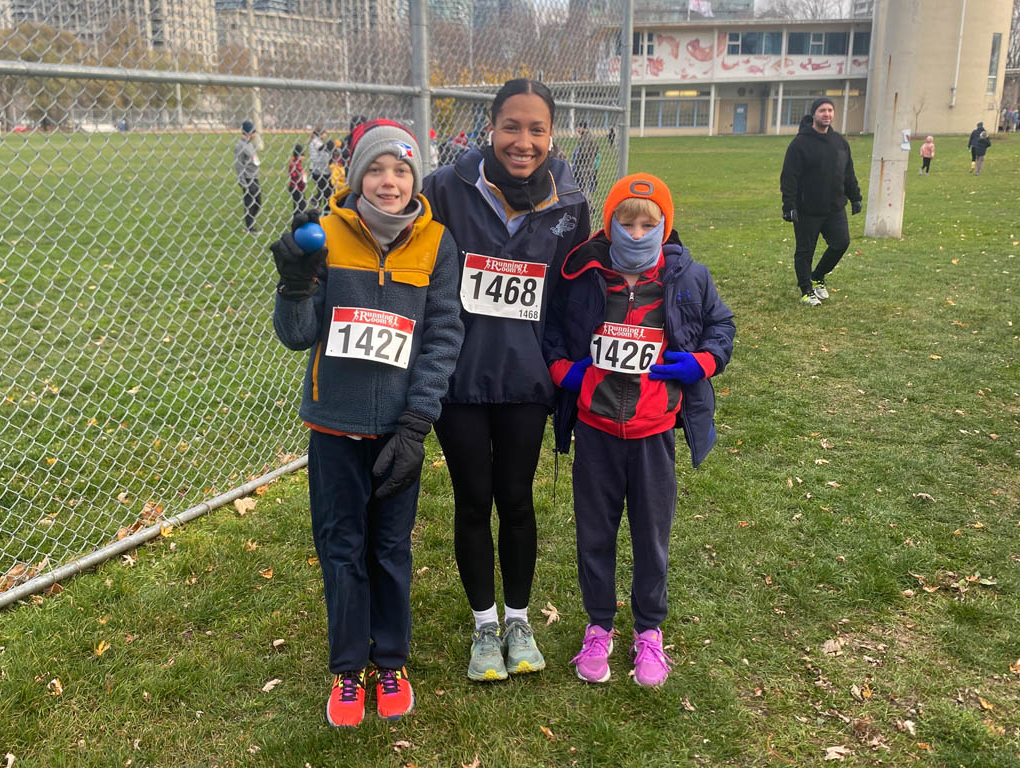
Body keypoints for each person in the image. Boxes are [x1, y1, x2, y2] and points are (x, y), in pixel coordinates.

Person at [270, 120, 464, 727]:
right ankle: (348, 670)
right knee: (341, 550)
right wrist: (295, 284)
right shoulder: (325, 234)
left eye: (401, 170)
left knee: (388, 548)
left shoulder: (436, 244)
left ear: (416, 178)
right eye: (376, 170)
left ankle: (391, 661)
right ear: (356, 176)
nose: (388, 181)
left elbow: (442, 336)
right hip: (333, 429)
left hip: (398, 430)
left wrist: (416, 424)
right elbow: (298, 335)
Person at [422, 78, 591, 682]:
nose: (524, 141)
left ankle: (518, 620)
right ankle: (484, 625)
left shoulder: (569, 201)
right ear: (490, 127)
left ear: (553, 133)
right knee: (473, 500)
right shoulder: (445, 187)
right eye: (512, 126)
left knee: (516, 500)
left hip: (527, 379)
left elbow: (576, 292)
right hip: (459, 378)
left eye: (537, 129)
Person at [543, 172, 734, 687]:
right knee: (595, 533)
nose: (635, 231)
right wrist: (564, 370)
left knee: (651, 536)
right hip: (597, 429)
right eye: (625, 221)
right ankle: (599, 625)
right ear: (609, 223)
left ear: (665, 226)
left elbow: (722, 327)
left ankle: (649, 630)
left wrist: (703, 363)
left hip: (653, 432)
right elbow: (553, 329)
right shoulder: (584, 273)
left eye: (648, 222)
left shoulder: (688, 277)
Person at [779, 97, 862, 307]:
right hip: (807, 209)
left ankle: (818, 275)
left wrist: (855, 197)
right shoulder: (800, 144)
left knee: (841, 243)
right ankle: (807, 290)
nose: (827, 114)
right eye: (823, 110)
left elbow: (848, 173)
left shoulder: (839, 142)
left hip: (834, 207)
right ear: (814, 114)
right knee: (805, 250)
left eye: (830, 110)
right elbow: (789, 177)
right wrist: (789, 206)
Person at [234, 119, 262, 234]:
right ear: (248, 133)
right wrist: (243, 182)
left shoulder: (249, 144)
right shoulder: (240, 146)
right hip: (247, 179)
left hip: (255, 177)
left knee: (258, 203)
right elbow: (239, 165)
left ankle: (250, 223)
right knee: (249, 203)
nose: (255, 135)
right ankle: (250, 228)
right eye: (254, 132)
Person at [571, 121, 601, 198]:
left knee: (582, 189)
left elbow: (582, 152)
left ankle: (589, 207)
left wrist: (576, 162)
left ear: (582, 128)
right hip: (588, 165)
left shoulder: (586, 138)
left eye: (578, 127)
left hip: (583, 166)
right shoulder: (589, 136)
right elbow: (596, 149)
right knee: (582, 188)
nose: (577, 129)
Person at [308, 127, 331, 210]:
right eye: (324, 133)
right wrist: (328, 148)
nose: (325, 135)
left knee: (324, 189)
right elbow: (322, 149)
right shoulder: (316, 142)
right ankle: (318, 204)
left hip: (321, 170)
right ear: (320, 134)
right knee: (325, 190)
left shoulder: (318, 141)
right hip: (317, 170)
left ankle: (317, 203)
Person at [288, 143, 308, 213]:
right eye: (302, 155)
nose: (304, 157)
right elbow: (296, 178)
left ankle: (297, 220)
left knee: (300, 206)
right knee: (301, 206)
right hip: (296, 188)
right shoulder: (296, 164)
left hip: (297, 187)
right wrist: (303, 178)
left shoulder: (296, 162)